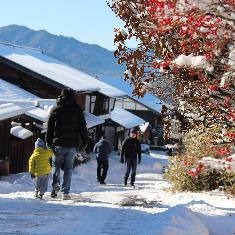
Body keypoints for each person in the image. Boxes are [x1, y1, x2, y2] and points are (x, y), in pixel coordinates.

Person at [46, 88, 88, 200]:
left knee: (56, 166)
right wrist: (85, 141)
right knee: (68, 168)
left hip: (58, 144)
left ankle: (55, 187)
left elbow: (49, 128)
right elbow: (82, 127)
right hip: (71, 145)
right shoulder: (77, 110)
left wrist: (48, 142)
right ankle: (65, 193)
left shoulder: (55, 109)